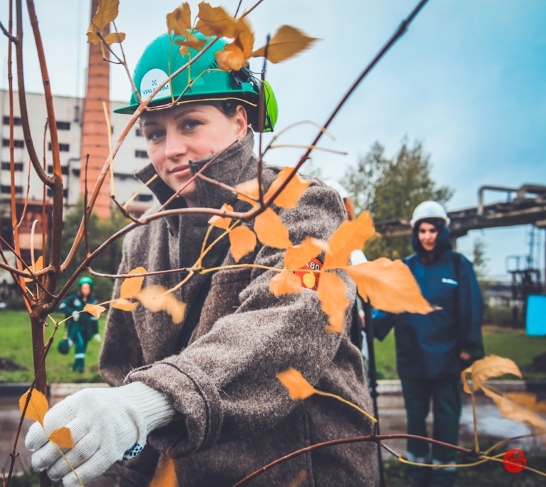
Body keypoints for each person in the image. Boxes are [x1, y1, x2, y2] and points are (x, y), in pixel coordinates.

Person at [26, 32, 375, 486]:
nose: (170, 149)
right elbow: (121, 371)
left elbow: (288, 318)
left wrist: (149, 402)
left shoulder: (304, 208)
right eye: (154, 132)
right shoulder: (142, 237)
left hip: (297, 472)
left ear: (240, 121)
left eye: (190, 123)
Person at [373, 201, 484, 487]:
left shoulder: (459, 266)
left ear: (442, 231)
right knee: (416, 421)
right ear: (416, 233)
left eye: (432, 230)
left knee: (447, 418)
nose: (427, 236)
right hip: (413, 359)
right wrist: (370, 318)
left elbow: (472, 307)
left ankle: (443, 476)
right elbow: (387, 307)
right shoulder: (405, 268)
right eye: (422, 230)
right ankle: (417, 473)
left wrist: (469, 347)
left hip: (449, 359)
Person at [58, 276, 101, 373]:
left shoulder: (93, 301)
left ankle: (76, 365)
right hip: (75, 327)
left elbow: (94, 317)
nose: (85, 290)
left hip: (87, 328)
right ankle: (79, 367)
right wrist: (72, 312)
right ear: (80, 288)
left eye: (87, 288)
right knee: (80, 343)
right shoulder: (74, 299)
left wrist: (96, 332)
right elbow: (62, 305)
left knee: (83, 346)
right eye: (83, 288)